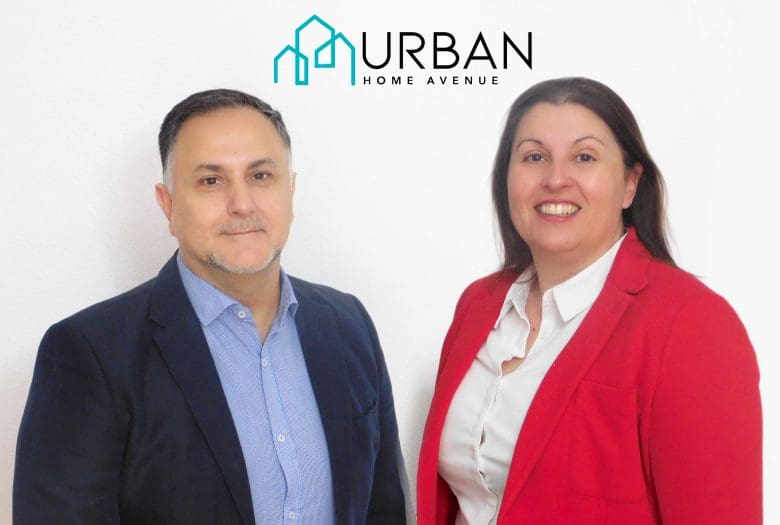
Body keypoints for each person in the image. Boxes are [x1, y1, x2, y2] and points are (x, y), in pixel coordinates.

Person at [14, 89, 407, 524]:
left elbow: (384, 510)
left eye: (261, 175)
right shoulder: (91, 353)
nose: (242, 204)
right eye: (211, 181)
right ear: (168, 204)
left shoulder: (348, 325)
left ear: (290, 191)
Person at [417, 77, 762, 524]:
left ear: (630, 185)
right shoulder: (478, 305)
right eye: (534, 157)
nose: (555, 179)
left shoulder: (693, 324)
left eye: (584, 157)